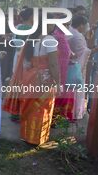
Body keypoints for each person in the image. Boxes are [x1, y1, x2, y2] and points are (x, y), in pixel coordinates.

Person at [12, 13, 60, 145]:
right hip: (44, 78)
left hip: (30, 76)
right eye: (51, 22)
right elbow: (53, 64)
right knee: (42, 108)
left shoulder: (32, 38)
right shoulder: (49, 39)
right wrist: (58, 81)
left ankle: (26, 135)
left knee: (30, 105)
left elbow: (26, 61)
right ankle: (37, 138)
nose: (53, 25)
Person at [68, 15, 98, 119]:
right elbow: (84, 52)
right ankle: (74, 113)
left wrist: (91, 30)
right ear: (81, 25)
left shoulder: (72, 31)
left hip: (70, 66)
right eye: (86, 25)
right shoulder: (77, 36)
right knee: (76, 90)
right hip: (75, 66)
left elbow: (84, 40)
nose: (87, 27)